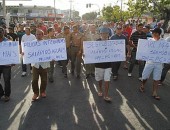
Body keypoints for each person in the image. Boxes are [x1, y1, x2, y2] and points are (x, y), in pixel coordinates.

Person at [22, 29, 50, 101]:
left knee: (44, 80)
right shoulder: (32, 43)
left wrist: (53, 57)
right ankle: (36, 93)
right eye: (37, 34)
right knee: (34, 80)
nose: (38, 35)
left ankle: (43, 91)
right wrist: (24, 53)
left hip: (44, 65)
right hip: (35, 65)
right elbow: (27, 51)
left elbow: (50, 52)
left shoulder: (46, 43)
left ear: (42, 35)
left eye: (40, 34)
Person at [139, 28, 163, 100]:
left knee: (156, 78)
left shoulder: (163, 42)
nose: (154, 35)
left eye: (156, 34)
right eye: (153, 34)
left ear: (159, 34)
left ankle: (155, 92)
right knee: (145, 76)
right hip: (149, 62)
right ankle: (142, 85)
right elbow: (144, 50)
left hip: (159, 63)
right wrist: (140, 57)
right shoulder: (149, 40)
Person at [94, 27, 112, 102]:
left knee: (107, 80)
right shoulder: (96, 42)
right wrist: (86, 55)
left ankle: (106, 95)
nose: (105, 35)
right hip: (98, 65)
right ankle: (100, 89)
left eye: (106, 33)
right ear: (100, 34)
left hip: (108, 65)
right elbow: (91, 52)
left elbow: (116, 52)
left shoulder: (112, 42)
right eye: (103, 33)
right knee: (99, 79)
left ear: (108, 34)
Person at [0, 27, 12, 102]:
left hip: (6, 65)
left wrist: (13, 61)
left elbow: (12, 53)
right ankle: (1, 93)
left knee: (7, 80)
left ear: (3, 33)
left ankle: (7, 95)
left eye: (0, 32)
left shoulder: (8, 42)